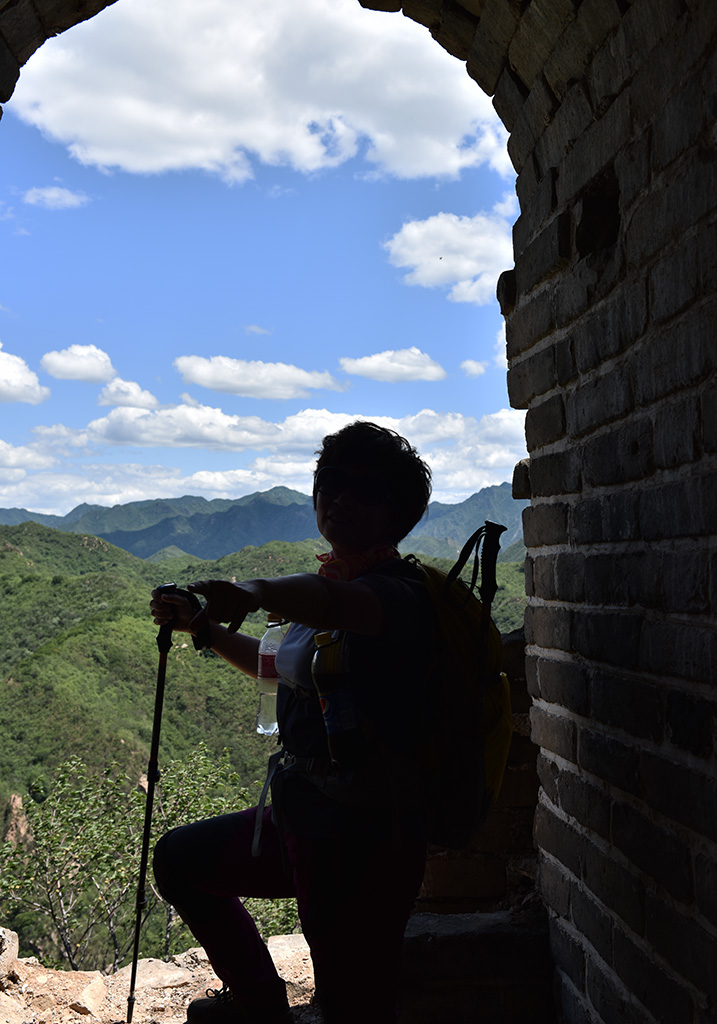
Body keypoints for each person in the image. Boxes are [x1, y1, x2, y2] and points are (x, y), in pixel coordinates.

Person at [150, 421, 436, 1024]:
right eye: (330, 481)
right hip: (303, 820)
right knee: (179, 859)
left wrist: (247, 589)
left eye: (366, 489)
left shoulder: (396, 595)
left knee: (353, 1001)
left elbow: (336, 606)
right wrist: (202, 629)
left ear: (398, 511)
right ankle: (259, 1004)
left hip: (365, 840)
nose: (341, 498)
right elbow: (275, 665)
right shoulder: (329, 589)